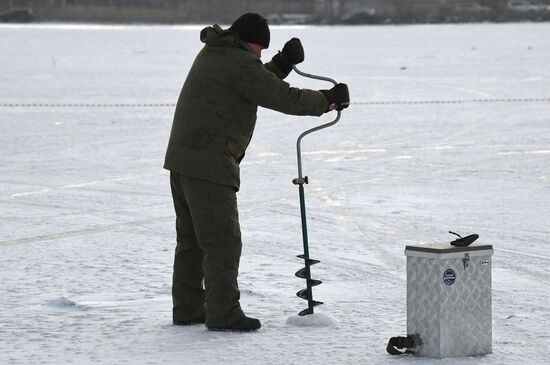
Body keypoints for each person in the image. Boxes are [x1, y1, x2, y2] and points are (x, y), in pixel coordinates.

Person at [164, 13, 349, 332]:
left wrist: (281, 63)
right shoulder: (236, 61)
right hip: (209, 164)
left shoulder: (219, 52)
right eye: (260, 50)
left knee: (193, 239)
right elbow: (278, 95)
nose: (260, 56)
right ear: (249, 43)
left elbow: (253, 80)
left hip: (184, 160)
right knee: (223, 241)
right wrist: (327, 100)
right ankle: (222, 313)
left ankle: (188, 307)